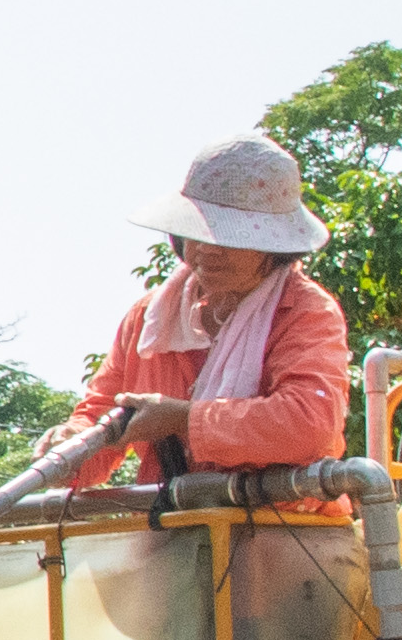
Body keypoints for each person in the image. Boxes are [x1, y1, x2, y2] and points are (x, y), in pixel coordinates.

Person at [74, 133, 350, 483]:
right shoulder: (150, 318)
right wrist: (70, 443)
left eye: (231, 238)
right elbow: (102, 414)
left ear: (274, 248)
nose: (209, 251)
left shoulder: (305, 310)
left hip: (285, 524)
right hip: (171, 526)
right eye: (198, 232)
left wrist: (183, 419)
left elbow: (309, 425)